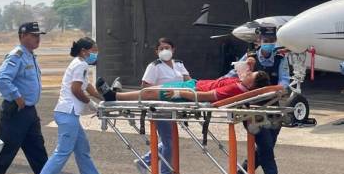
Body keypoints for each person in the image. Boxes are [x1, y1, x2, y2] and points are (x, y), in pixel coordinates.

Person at [0, 22, 69, 174]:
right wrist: (17, 96)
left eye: (39, 35)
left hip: (29, 111)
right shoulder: (17, 55)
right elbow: (1, 78)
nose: (38, 38)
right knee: (7, 148)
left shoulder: (30, 55)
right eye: (33, 35)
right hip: (16, 111)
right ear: (22, 36)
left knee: (36, 146)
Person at [26, 37, 107, 174]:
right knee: (62, 152)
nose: (95, 54)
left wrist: (104, 97)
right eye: (93, 51)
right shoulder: (81, 64)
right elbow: (76, 90)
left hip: (69, 114)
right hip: (68, 113)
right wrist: (92, 104)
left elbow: (87, 86)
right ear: (84, 51)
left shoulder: (80, 64)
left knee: (82, 148)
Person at [226, 23, 290, 174]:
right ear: (258, 41)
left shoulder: (280, 59)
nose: (268, 43)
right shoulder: (249, 58)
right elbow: (232, 76)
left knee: (265, 147)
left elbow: (285, 80)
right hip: (253, 111)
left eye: (271, 40)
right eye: (265, 40)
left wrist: (279, 89)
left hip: (274, 108)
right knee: (266, 146)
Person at [134, 38, 191, 174]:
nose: (164, 51)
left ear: (173, 49)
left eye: (167, 48)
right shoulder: (154, 66)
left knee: (169, 141)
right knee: (169, 142)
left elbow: (188, 81)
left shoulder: (179, 64)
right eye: (161, 49)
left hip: (175, 106)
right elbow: (145, 88)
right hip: (159, 107)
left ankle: (144, 161)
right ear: (156, 52)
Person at [97, 69, 270, 103]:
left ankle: (114, 97)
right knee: (151, 90)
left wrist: (180, 92)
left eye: (250, 76)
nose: (247, 74)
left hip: (189, 92)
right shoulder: (241, 83)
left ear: (252, 85)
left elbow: (207, 97)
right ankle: (118, 94)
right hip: (192, 84)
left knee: (150, 93)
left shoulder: (235, 89)